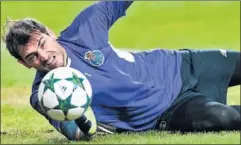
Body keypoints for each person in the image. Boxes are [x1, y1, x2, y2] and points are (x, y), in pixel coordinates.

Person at [2, 1, 240, 141]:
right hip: (167, 111)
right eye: (32, 56)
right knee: (225, 118)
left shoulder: (84, 29)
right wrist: (83, 122)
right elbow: (75, 132)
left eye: (42, 44)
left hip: (181, 64)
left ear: (50, 34)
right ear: (24, 64)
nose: (43, 56)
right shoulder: (44, 95)